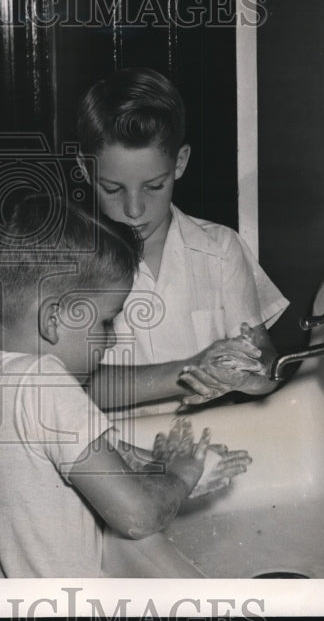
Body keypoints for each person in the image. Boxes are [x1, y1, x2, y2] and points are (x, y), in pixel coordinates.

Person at [0, 194, 252, 577]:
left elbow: (60, 459)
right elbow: (137, 517)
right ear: (54, 319)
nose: (111, 340)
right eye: (106, 322)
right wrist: (182, 476)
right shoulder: (47, 384)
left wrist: (155, 463)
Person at [76, 68, 290, 413]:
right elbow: (69, 389)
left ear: (180, 162)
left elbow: (266, 363)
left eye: (154, 186)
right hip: (114, 457)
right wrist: (189, 371)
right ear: (86, 171)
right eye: (113, 189)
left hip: (209, 448)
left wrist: (250, 375)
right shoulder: (70, 262)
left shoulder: (221, 249)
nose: (134, 209)